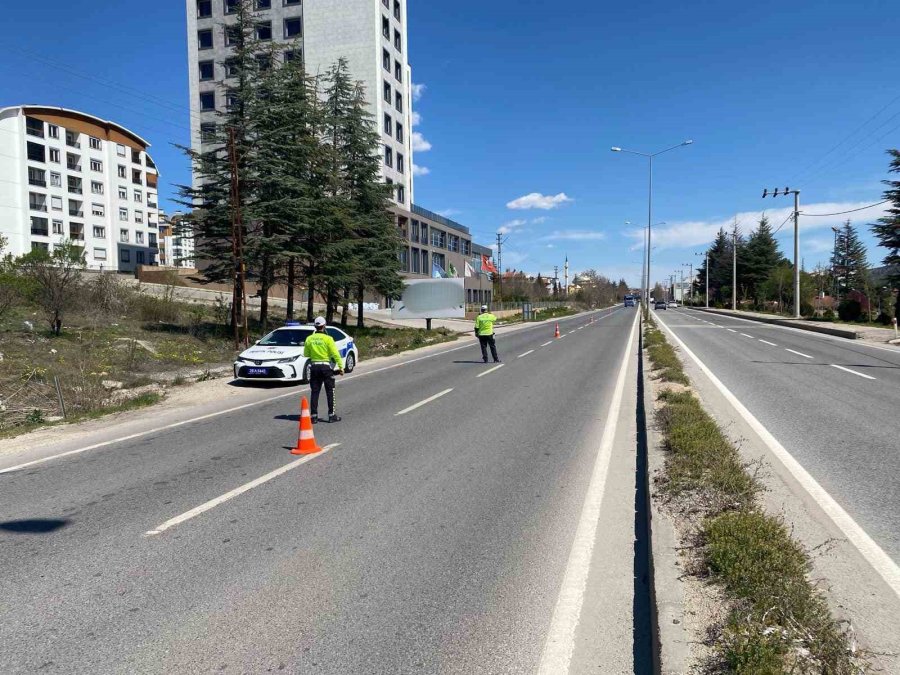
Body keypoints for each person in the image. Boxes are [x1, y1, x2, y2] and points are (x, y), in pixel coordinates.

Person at [303, 317, 344, 423]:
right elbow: (335, 354)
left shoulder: (309, 339)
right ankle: (331, 415)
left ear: (315, 327)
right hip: (326, 367)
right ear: (324, 326)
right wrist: (341, 367)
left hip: (314, 367)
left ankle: (314, 416)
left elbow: (306, 354)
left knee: (315, 392)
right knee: (330, 391)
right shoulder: (328, 339)